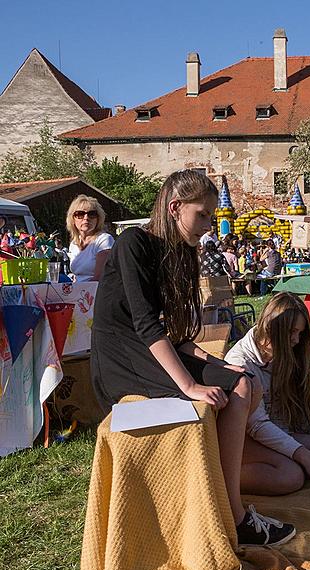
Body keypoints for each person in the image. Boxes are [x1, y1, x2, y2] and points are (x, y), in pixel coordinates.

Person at [90, 170, 295, 547]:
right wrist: (191, 385)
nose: (209, 224)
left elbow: (180, 334)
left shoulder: (184, 252)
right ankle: (234, 518)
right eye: (202, 215)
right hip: (121, 359)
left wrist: (215, 365)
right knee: (232, 387)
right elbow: (146, 323)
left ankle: (222, 502)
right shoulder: (134, 242)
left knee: (242, 381)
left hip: (153, 351)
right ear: (174, 208)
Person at [225, 292, 310, 493]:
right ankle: (224, 478)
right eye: (292, 332)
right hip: (247, 440)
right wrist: (305, 456)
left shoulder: (286, 353)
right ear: (272, 329)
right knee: (291, 476)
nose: (295, 340)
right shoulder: (240, 363)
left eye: (301, 333)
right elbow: (256, 425)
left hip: (278, 432)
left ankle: (288, 464)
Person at [66, 195, 114, 282]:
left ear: (98, 219)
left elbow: (99, 278)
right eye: (80, 214)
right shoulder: (74, 244)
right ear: (72, 219)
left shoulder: (104, 240)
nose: (86, 218)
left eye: (92, 214)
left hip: (95, 291)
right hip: (77, 290)